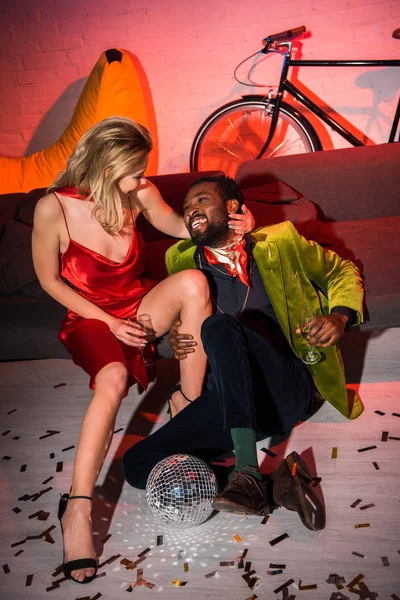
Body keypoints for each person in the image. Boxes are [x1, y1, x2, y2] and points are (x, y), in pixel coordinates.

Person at [32, 122, 253, 585]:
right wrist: (111, 323)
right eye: (133, 172)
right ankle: (77, 509)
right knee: (112, 380)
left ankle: (186, 406)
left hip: (137, 307)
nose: (141, 180)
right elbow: (50, 281)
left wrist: (233, 226)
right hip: (92, 318)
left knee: (194, 283)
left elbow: (180, 227)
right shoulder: (52, 208)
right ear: (106, 165)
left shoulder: (137, 194)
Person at [123, 175, 364, 531]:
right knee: (137, 464)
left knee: (219, 328)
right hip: (232, 404)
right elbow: (183, 322)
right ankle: (276, 486)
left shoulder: (277, 242)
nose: (190, 211)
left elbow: (342, 269)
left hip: (285, 387)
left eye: (201, 201)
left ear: (232, 208)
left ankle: (248, 472)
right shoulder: (182, 260)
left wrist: (340, 316)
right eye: (187, 207)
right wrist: (177, 336)